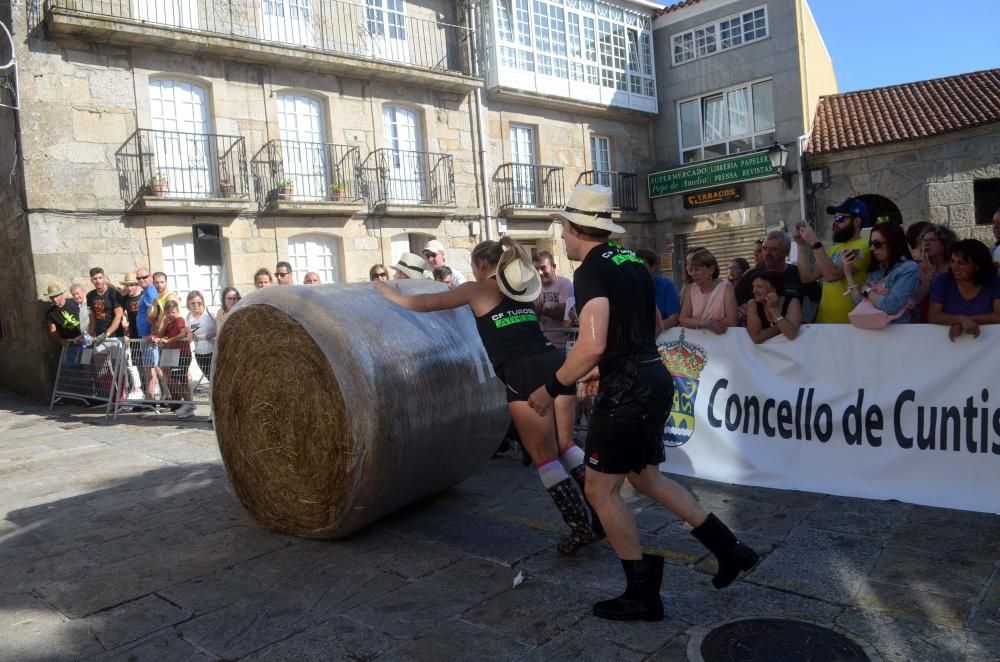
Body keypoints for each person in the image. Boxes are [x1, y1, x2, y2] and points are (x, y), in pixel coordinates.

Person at [526, 184, 757, 622]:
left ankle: (642, 594)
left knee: (599, 489)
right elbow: (649, 324)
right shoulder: (632, 260)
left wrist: (552, 388)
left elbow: (591, 344)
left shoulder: (591, 269)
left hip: (629, 389)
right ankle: (732, 550)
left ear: (578, 229)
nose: (562, 240)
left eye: (564, 231)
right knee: (647, 477)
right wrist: (620, 360)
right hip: (653, 375)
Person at [375, 236, 601, 555]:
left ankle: (580, 527)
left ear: (481, 265)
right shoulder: (522, 289)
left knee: (545, 456)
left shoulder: (477, 288)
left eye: (473, 266)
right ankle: (601, 515)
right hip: (553, 362)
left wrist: (387, 293)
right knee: (566, 445)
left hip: (523, 371)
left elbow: (426, 304)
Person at [794, 197, 872, 323]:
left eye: (840, 219)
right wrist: (801, 245)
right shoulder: (833, 249)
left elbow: (832, 275)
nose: (835, 223)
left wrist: (815, 241)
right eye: (835, 219)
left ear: (857, 221)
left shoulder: (862, 248)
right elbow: (807, 276)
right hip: (824, 323)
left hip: (848, 325)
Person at [843, 222, 918, 325]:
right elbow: (859, 303)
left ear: (893, 242)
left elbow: (891, 307)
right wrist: (848, 273)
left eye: (877, 244)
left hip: (899, 332)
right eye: (871, 244)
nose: (872, 249)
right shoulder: (877, 270)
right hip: (874, 331)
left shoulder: (909, 268)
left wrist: (867, 291)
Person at [928, 239, 1000, 341]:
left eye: (962, 263)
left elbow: (998, 316)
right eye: (952, 261)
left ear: (977, 266)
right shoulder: (943, 280)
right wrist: (960, 319)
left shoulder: (995, 281)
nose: (955, 267)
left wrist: (964, 321)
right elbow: (934, 316)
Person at [678, 248, 737, 334]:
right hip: (697, 342)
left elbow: (732, 320)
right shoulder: (691, 289)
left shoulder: (726, 287)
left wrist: (709, 330)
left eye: (697, 269)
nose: (693, 274)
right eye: (691, 270)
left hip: (720, 340)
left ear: (711, 270)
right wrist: (707, 324)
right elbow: (683, 319)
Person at [153, 299, 195, 418]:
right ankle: (189, 404)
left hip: (182, 354)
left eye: (173, 312)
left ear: (177, 311)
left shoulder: (179, 320)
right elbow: (159, 334)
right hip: (174, 354)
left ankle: (189, 403)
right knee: (178, 380)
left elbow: (183, 333)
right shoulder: (169, 322)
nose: (170, 315)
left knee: (176, 379)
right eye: (168, 312)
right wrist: (165, 323)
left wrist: (169, 340)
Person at [912, 224, 958, 321]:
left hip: (951, 318)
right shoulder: (916, 268)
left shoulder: (955, 267)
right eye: (924, 240)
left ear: (945, 244)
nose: (926, 244)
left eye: (932, 240)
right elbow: (915, 299)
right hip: (923, 323)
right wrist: (929, 277)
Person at [745, 271, 802, 343]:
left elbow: (791, 334)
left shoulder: (792, 302)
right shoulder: (753, 304)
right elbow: (756, 338)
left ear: (774, 288)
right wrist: (782, 326)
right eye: (753, 286)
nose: (754, 291)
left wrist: (774, 310)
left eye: (759, 286)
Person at [533, 251, 574, 350]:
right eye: (536, 269)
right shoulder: (533, 288)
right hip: (542, 342)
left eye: (543, 268)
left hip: (562, 344)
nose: (540, 273)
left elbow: (564, 314)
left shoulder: (564, 284)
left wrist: (541, 310)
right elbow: (534, 318)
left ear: (553, 267)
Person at [635, 249, 680, 331]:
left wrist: (651, 331)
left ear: (653, 267)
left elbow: (673, 319)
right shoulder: (629, 286)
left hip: (662, 337)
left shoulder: (666, 286)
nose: (638, 271)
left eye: (642, 267)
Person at [85, 267, 125, 343]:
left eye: (100, 278)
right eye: (95, 279)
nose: (98, 281)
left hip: (115, 336)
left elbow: (118, 316)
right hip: (98, 337)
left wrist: (106, 334)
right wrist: (89, 335)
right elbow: (92, 318)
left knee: (115, 355)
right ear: (91, 280)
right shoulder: (90, 295)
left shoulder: (114, 293)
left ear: (104, 278)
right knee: (98, 355)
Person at [186, 290, 216, 382]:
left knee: (217, 378)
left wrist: (213, 334)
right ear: (188, 304)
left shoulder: (210, 313)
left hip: (214, 351)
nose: (196, 305)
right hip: (200, 354)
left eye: (199, 303)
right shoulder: (188, 317)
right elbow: (189, 337)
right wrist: (190, 336)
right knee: (209, 378)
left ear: (203, 302)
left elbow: (221, 328)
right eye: (193, 303)